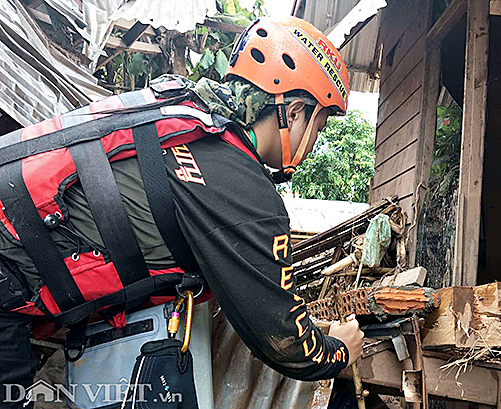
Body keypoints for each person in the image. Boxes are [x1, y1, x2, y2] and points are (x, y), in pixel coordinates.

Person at [0, 16, 364, 408]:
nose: (314, 143)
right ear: (293, 112)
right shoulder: (241, 188)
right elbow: (285, 343)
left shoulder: (183, 107)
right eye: (320, 125)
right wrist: (340, 350)